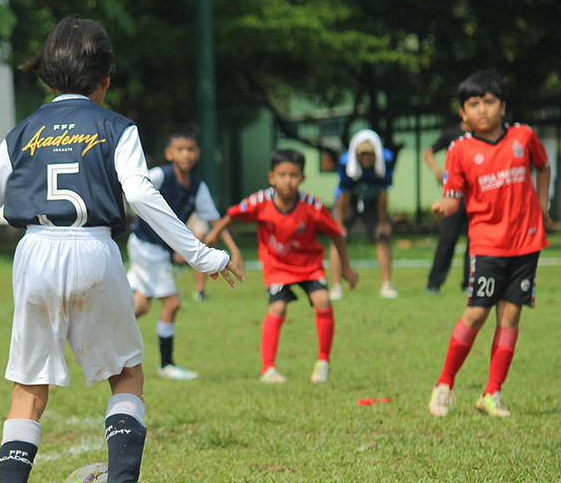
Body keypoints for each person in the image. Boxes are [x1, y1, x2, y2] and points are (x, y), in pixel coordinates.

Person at [0, 16, 243, 483]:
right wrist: (201, 254)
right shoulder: (118, 127)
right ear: (106, 77)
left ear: (47, 78)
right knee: (127, 373)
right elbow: (139, 196)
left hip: (34, 253)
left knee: (29, 388)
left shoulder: (20, 133)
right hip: (95, 248)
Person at [427, 70, 552, 418]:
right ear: (462, 113)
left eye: (489, 101)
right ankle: (444, 385)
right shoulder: (460, 150)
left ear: (502, 105)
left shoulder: (523, 136)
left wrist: (542, 206)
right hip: (486, 244)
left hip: (526, 242)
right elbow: (453, 197)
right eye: (473, 103)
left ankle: (491, 394)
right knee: (478, 311)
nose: (482, 109)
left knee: (511, 314)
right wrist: (443, 207)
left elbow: (543, 166)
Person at [206, 149, 358, 383]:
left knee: (324, 301)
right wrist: (215, 232)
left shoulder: (311, 205)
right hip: (277, 266)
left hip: (309, 264)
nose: (288, 181)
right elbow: (233, 214)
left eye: (294, 175)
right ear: (272, 177)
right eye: (283, 175)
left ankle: (323, 362)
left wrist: (346, 268)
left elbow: (336, 233)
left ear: (303, 178)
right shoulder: (260, 201)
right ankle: (268, 369)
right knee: (278, 309)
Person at [127, 124, 244, 381]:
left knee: (142, 305)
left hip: (153, 249)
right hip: (146, 245)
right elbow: (133, 189)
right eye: (180, 149)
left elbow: (214, 219)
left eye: (190, 149)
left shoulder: (197, 185)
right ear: (169, 153)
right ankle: (166, 364)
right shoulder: (159, 176)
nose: (186, 155)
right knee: (172, 302)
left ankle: (106, 331)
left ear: (198, 153)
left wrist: (234, 249)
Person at [329, 129, 398, 300]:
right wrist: (339, 222)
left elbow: (384, 192)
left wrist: (382, 222)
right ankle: (336, 286)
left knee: (383, 236)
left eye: (370, 154)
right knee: (337, 237)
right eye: (362, 154)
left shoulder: (387, 160)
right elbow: (344, 194)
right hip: (349, 200)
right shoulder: (345, 162)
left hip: (374, 201)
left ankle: (386, 284)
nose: (366, 158)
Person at [424, 119, 471, 294]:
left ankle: (469, 283)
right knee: (447, 240)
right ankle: (434, 284)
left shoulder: (481, 136)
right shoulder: (451, 135)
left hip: (475, 197)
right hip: (454, 197)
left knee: (474, 242)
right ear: (462, 111)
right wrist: (437, 170)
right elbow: (428, 153)